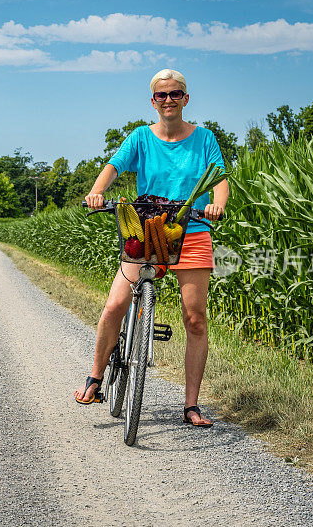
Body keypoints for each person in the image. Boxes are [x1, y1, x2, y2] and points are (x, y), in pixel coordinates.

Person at [73, 68, 229, 428]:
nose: (169, 100)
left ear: (186, 99)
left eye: (175, 94)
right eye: (162, 95)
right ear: (153, 101)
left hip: (193, 230)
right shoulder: (141, 137)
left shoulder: (204, 138)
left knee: (195, 319)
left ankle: (191, 405)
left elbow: (218, 178)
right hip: (148, 229)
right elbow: (113, 167)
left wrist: (217, 204)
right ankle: (96, 378)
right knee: (115, 303)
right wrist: (98, 191)